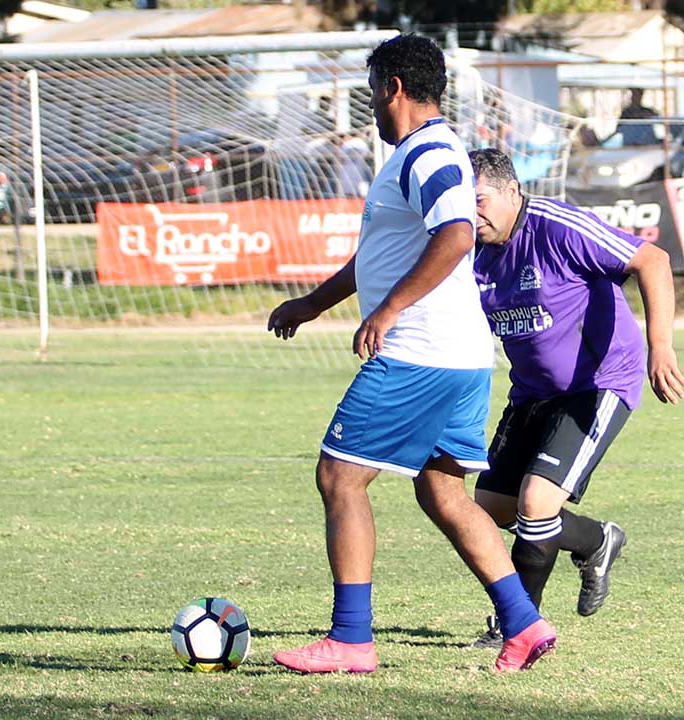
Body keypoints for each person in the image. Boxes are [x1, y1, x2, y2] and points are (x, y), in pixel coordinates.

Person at [265, 34, 556, 675]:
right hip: (459, 358)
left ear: (393, 87)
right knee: (443, 492)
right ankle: (524, 622)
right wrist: (312, 304)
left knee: (340, 477)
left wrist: (391, 309)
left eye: (371, 91)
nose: (371, 104)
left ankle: (350, 638)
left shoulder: (428, 153)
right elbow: (377, 256)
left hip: (420, 355)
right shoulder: (416, 157)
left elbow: (456, 235)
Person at [464, 148, 684, 648]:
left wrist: (662, 347)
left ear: (511, 192)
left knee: (537, 502)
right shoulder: (468, 249)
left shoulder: (556, 225)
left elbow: (652, 260)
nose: (470, 211)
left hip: (599, 384)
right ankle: (596, 540)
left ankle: (518, 625)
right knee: (493, 509)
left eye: (478, 199)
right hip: (532, 394)